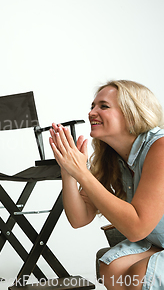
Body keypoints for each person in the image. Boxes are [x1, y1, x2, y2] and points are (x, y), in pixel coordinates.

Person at [49, 80, 164, 290]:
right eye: (92, 106)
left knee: (140, 274)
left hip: (154, 239)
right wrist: (68, 171)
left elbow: (137, 228)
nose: (92, 112)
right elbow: (79, 218)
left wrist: (82, 172)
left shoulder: (160, 147)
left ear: (132, 114)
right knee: (111, 267)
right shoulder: (110, 157)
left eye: (103, 106)